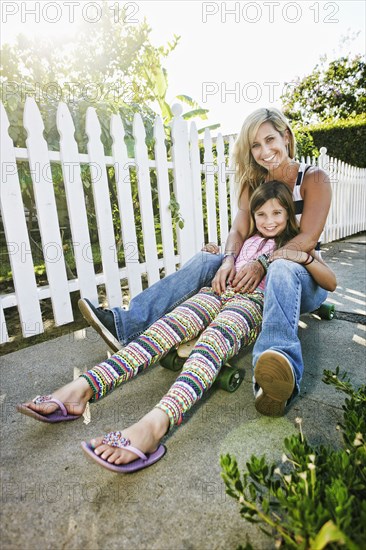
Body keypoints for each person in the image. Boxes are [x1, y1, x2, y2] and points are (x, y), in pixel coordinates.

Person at [17, 182, 336, 473]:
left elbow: (327, 280)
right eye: (261, 213)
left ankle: (155, 424)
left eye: (277, 213)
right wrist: (221, 255)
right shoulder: (248, 239)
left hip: (251, 304)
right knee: (162, 332)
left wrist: (301, 259)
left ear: (288, 215)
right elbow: (227, 252)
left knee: (209, 347)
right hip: (216, 292)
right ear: (252, 216)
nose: (269, 220)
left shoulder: (294, 245)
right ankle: (82, 389)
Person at [78, 107, 333, 417]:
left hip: (302, 276)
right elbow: (239, 229)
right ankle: (126, 324)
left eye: (270, 140)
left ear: (287, 137)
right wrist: (228, 260)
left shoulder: (314, 178)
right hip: (258, 272)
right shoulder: (252, 182)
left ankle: (277, 377)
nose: (265, 151)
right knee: (206, 259)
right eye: (255, 145)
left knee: (282, 266)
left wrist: (263, 263)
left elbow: (305, 239)